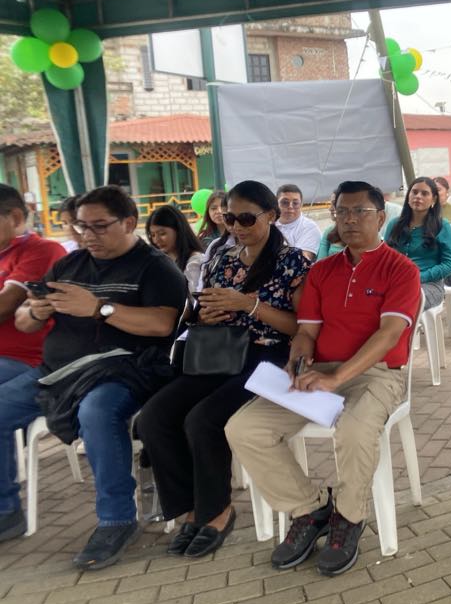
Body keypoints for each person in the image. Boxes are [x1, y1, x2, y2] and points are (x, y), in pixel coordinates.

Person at [226, 181, 421, 576]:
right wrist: (298, 361)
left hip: (377, 375)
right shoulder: (322, 271)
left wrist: (337, 378)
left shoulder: (401, 269)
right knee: (244, 428)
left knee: (354, 430)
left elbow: (388, 336)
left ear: (380, 218)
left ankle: (348, 517)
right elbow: (306, 332)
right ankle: (310, 509)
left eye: (360, 211)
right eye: (342, 212)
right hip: (323, 371)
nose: (350, 220)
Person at [8, 186, 188, 569]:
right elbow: (24, 321)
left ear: (129, 222)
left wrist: (98, 308)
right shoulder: (69, 265)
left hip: (127, 370)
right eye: (81, 226)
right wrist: (37, 311)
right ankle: (6, 509)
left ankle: (117, 519)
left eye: (100, 226)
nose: (88, 235)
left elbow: (163, 324)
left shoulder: (155, 266)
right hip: (58, 372)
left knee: (97, 412)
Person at [137, 181, 310, 559]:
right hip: (220, 352)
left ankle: (217, 511)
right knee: (153, 417)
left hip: (269, 358)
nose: (237, 227)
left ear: (271, 215)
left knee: (203, 419)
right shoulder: (221, 259)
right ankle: (191, 508)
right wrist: (206, 315)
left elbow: (302, 326)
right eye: (231, 218)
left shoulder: (294, 261)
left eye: (247, 218)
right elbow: (203, 313)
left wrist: (249, 306)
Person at [0, 188, 67, 542]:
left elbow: (5, 306)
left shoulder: (42, 250)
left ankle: (5, 511)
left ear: (14, 217)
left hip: (30, 362)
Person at [384, 177, 451, 309]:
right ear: (408, 196)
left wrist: (418, 277)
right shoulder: (394, 225)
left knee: (402, 300)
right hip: (396, 282)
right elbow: (384, 259)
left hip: (429, 285)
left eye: (424, 193)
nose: (418, 196)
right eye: (414, 192)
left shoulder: (442, 226)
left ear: (434, 199)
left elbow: (449, 264)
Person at [146, 205, 205, 291]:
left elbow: (195, 296)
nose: (156, 240)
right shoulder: (159, 260)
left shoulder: (195, 262)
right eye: (153, 235)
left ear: (179, 230)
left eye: (162, 234)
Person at [275, 184, 322, 260]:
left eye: (295, 203)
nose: (290, 206)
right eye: (285, 202)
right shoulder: (269, 224)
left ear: (301, 205)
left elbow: (301, 261)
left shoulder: (310, 228)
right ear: (276, 204)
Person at [317, 189, 345, 260]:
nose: (330, 209)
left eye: (334, 204)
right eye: (331, 204)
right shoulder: (329, 231)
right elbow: (320, 262)